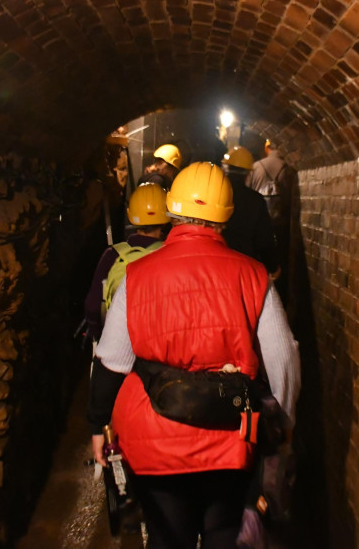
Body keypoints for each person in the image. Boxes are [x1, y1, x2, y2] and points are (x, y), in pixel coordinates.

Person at [88, 162, 301, 549]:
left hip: (153, 439)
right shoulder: (253, 275)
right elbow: (283, 356)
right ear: (226, 217)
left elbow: (112, 361)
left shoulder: (138, 275)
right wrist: (283, 421)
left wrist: (98, 425)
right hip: (230, 437)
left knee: (169, 538)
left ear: (171, 209)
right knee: (224, 532)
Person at [80, 183, 168, 345]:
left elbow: (93, 305)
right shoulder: (171, 255)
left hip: (118, 342)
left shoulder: (113, 255)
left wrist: (100, 336)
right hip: (157, 346)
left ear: (130, 214)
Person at [246, 140, 297, 307]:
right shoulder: (288, 169)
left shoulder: (256, 167)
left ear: (267, 148)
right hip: (281, 223)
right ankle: (279, 297)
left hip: (259, 222)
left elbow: (249, 193)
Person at [220, 146, 281, 279]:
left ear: (225, 169)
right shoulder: (255, 200)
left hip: (215, 265)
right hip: (245, 268)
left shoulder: (214, 195)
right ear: (248, 174)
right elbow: (264, 240)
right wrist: (273, 267)